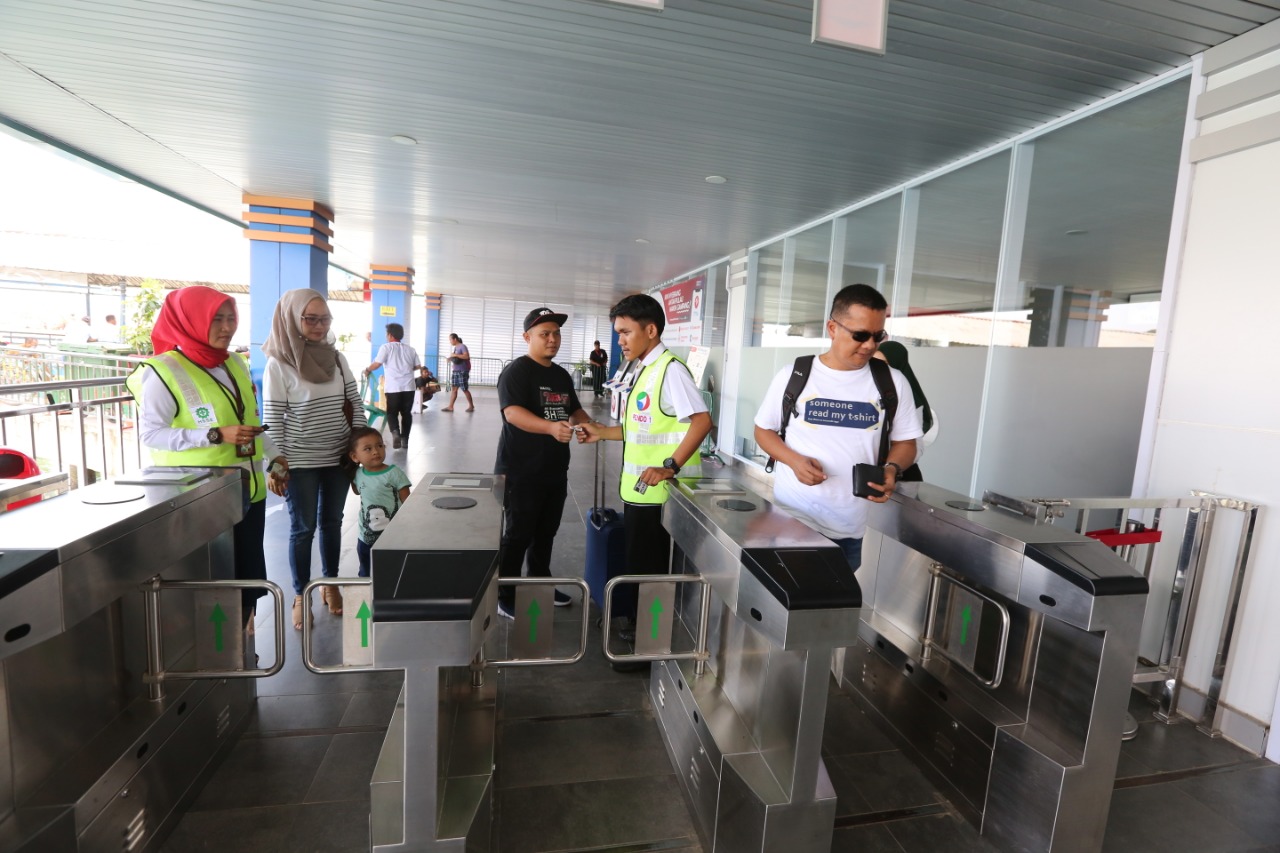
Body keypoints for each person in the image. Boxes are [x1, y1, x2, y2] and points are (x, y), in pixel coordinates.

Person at [125, 286, 274, 627]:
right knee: (213, 586)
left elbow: (250, 421)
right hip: (200, 499)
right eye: (216, 319)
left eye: (231, 318)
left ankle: (242, 649)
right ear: (190, 321)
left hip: (249, 491)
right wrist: (214, 434)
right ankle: (219, 650)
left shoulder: (235, 362)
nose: (227, 327)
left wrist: (275, 457)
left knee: (248, 580)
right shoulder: (162, 371)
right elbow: (152, 434)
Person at [578, 294, 712, 670]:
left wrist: (671, 465)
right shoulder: (645, 368)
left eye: (626, 332)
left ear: (650, 330)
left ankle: (648, 649)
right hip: (640, 491)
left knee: (650, 572)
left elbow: (702, 421)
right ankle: (641, 631)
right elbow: (641, 427)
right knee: (639, 566)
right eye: (618, 332)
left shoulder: (670, 370)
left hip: (660, 494)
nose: (620, 340)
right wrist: (602, 432)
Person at [752, 284, 922, 574]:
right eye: (860, 335)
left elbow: (906, 443)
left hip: (851, 527)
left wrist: (892, 469)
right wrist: (794, 461)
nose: (869, 345)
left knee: (833, 601)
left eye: (878, 336)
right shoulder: (795, 376)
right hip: (793, 518)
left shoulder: (893, 382)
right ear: (832, 328)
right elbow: (763, 430)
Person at [262, 288, 367, 631]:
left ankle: (330, 583)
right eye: (311, 319)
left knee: (332, 522)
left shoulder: (336, 358)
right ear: (292, 319)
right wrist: (276, 464)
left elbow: (355, 402)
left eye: (325, 319)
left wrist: (358, 447)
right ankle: (300, 595)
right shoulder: (279, 363)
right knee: (303, 528)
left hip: (338, 457)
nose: (320, 326)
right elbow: (273, 418)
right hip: (300, 460)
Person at [494, 307, 592, 618]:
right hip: (520, 469)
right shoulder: (516, 372)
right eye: (544, 334)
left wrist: (589, 425)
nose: (552, 339)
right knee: (518, 534)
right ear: (528, 337)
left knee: (546, 531)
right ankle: (504, 594)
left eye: (556, 333)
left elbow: (573, 409)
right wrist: (550, 427)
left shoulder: (560, 375)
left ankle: (539, 585)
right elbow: (512, 413)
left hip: (554, 468)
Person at [347, 426, 412, 578]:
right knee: (366, 572)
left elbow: (407, 502)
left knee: (393, 572)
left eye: (380, 446)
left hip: (393, 536)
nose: (376, 451)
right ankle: (366, 592)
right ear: (355, 456)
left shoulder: (394, 473)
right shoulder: (358, 474)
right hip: (365, 537)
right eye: (368, 449)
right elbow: (357, 491)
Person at [873, 341, 935, 480]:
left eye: (885, 364)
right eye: (875, 363)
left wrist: (891, 467)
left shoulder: (908, 396)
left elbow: (916, 446)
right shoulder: (874, 392)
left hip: (900, 476)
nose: (880, 369)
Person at [363, 322, 421, 449]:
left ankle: (395, 434)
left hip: (393, 387)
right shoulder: (410, 349)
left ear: (390, 335)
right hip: (409, 387)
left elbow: (377, 364)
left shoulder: (386, 347)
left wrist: (367, 370)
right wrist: (406, 368)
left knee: (392, 413)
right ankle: (405, 440)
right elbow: (418, 366)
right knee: (406, 414)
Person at [441, 333, 474, 412]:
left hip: (462, 371)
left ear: (455, 339)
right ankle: (450, 407)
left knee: (464, 389)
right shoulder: (456, 347)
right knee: (454, 389)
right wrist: (450, 358)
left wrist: (455, 355)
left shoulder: (462, 346)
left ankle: (471, 406)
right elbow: (457, 358)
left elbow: (466, 356)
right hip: (455, 371)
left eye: (450, 339)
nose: (450, 341)